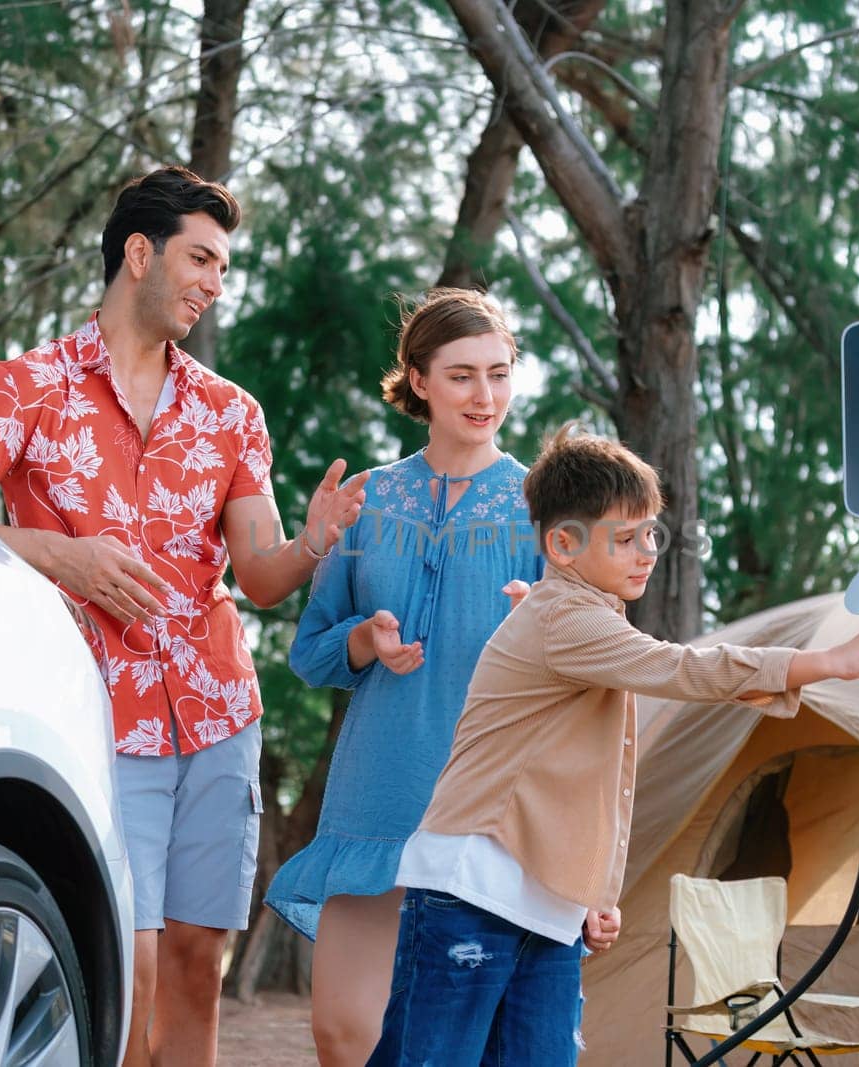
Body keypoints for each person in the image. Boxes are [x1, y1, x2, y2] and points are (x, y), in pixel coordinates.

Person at [0, 166, 368, 1067]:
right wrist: (60, 554)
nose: (214, 281)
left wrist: (315, 542)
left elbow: (261, 571)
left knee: (200, 960)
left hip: (216, 714)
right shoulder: (24, 386)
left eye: (223, 267)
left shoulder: (230, 413)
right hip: (92, 716)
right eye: (201, 258)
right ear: (139, 252)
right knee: (129, 965)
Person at [366, 427, 859, 1066]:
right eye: (626, 539)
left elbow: (591, 780)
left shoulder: (589, 621)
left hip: (545, 910)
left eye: (651, 532)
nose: (647, 551)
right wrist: (832, 659)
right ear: (563, 545)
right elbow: (685, 668)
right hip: (473, 892)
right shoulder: (562, 619)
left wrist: (589, 894)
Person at [264, 288, 542, 1065]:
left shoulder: (540, 502)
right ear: (418, 379)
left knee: (469, 1043)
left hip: (488, 804)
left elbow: (589, 659)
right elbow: (312, 649)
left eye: (499, 372)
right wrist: (365, 638)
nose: (484, 396)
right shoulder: (373, 497)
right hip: (378, 792)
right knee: (346, 1030)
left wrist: (538, 624)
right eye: (461, 376)